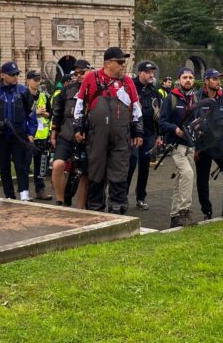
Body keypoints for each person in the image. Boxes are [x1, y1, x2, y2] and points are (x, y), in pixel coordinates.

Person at [73, 46, 143, 213]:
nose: (123, 65)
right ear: (108, 63)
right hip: (97, 135)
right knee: (96, 170)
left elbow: (136, 107)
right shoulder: (92, 78)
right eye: (120, 62)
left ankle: (117, 207)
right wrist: (78, 127)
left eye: (124, 62)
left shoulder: (127, 82)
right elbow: (80, 105)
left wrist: (138, 132)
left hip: (121, 136)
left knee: (119, 171)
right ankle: (95, 206)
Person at [0, 62, 37, 200]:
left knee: (21, 165)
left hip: (19, 135)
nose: (15, 77)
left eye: (17, 74)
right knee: (4, 166)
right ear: (2, 75)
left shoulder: (23, 91)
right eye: (12, 74)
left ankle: (24, 193)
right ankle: (9, 195)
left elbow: (31, 114)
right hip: (0, 135)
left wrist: (31, 133)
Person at [194, 69, 223, 219]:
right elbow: (192, 123)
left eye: (218, 78)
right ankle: (206, 210)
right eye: (214, 79)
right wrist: (195, 148)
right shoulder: (197, 98)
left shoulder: (222, 99)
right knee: (202, 178)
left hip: (218, 142)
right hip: (202, 144)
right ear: (206, 81)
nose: (218, 81)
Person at [159, 67, 199, 226]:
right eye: (184, 77)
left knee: (181, 180)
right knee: (188, 175)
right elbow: (162, 122)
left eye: (190, 77)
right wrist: (175, 129)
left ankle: (174, 216)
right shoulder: (171, 98)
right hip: (176, 145)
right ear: (179, 80)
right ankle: (184, 211)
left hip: (191, 145)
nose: (188, 80)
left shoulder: (195, 99)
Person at [50, 61, 90, 206]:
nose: (79, 76)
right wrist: (54, 133)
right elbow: (58, 113)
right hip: (67, 134)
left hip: (87, 137)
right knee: (58, 165)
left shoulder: (95, 90)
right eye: (76, 73)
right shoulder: (67, 90)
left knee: (84, 174)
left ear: (90, 71)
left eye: (82, 72)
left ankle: (81, 207)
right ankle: (60, 200)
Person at [128, 60, 160, 210]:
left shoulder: (154, 90)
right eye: (148, 72)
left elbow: (158, 114)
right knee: (131, 163)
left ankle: (141, 197)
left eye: (152, 72)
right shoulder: (130, 87)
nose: (151, 75)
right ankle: (121, 195)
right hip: (132, 132)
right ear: (140, 73)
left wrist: (158, 135)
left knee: (145, 166)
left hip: (148, 133)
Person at [26, 71, 53, 200]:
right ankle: (24, 191)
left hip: (42, 136)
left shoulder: (44, 96)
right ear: (28, 81)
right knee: (25, 165)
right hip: (28, 136)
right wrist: (35, 112)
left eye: (39, 80)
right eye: (35, 80)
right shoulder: (23, 95)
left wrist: (44, 114)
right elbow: (22, 114)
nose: (37, 82)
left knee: (41, 166)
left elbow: (50, 114)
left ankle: (40, 190)